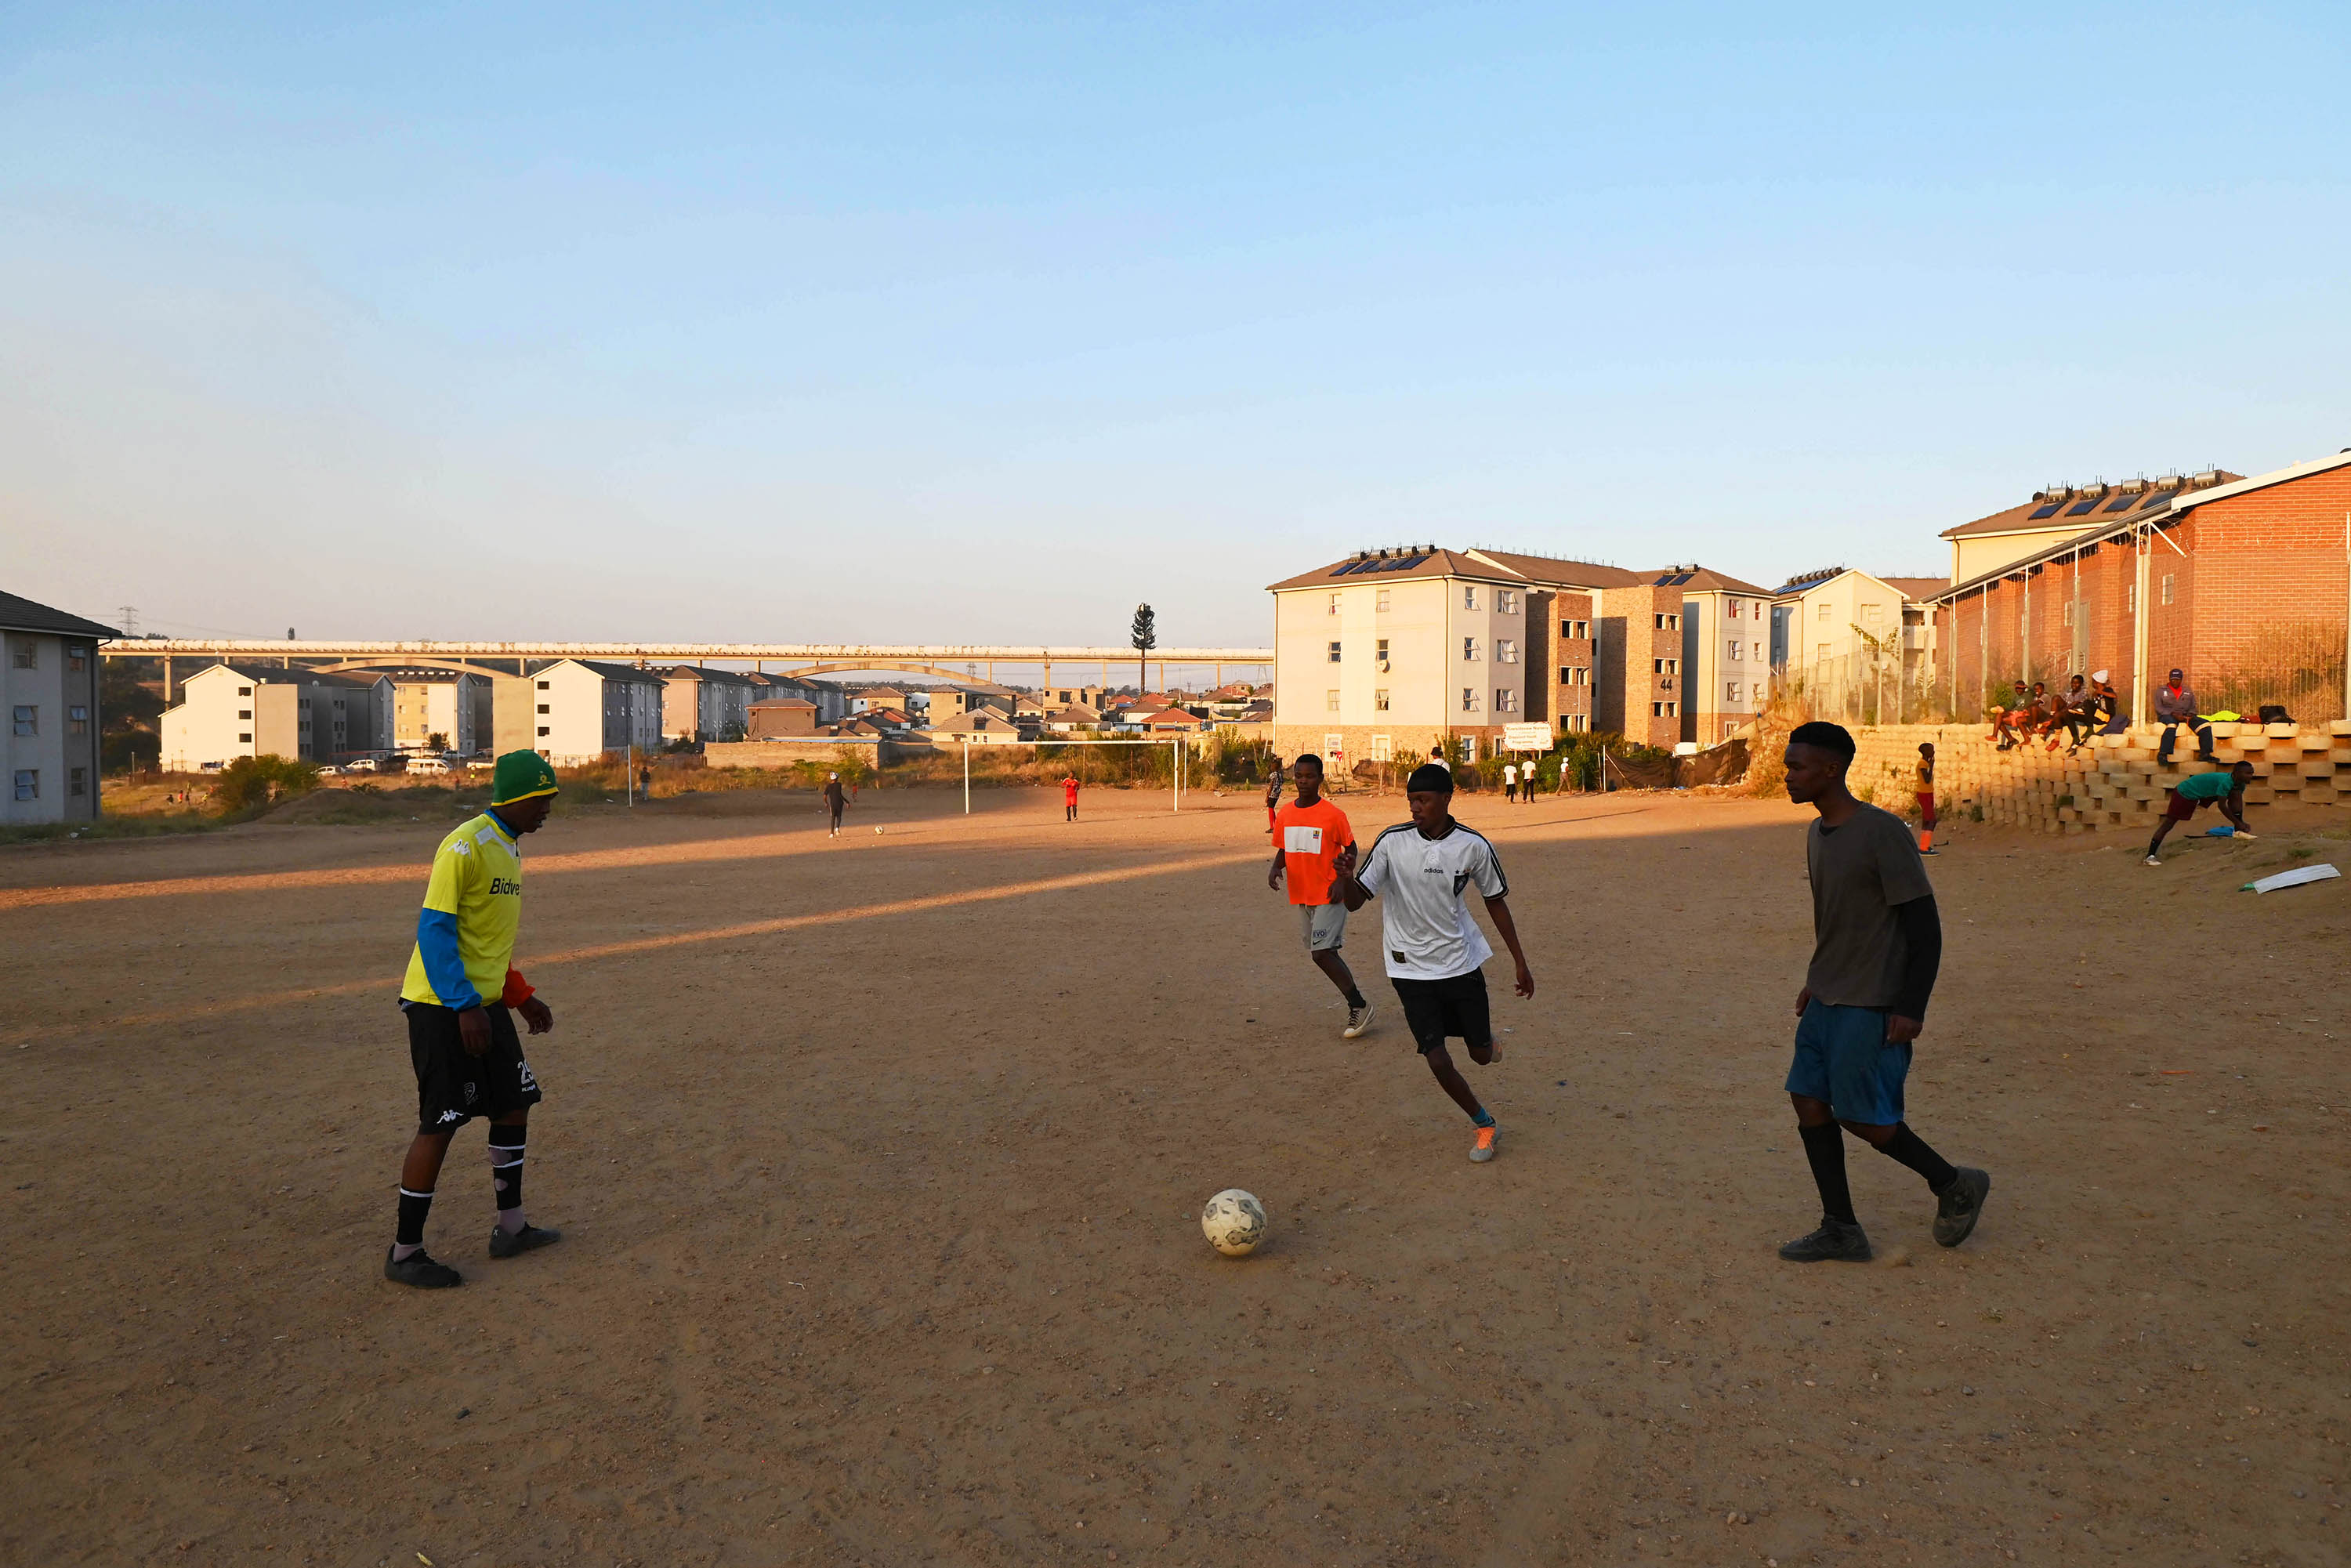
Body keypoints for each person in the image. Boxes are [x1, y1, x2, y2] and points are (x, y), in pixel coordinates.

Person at [1776, 721, 1989, 1263]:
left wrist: (1911, 1006)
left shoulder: (1881, 831)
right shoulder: (1816, 834)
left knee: (1863, 1116)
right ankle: (1841, 1227)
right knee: (1807, 1099)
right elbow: (1843, 920)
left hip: (1871, 1001)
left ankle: (1953, 1183)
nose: (1788, 775)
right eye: (1787, 765)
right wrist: (1815, 977)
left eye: (1797, 766)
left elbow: (1925, 926)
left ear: (1831, 769)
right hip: (1827, 995)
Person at [384, 751, 563, 1289]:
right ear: (515, 797)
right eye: (542, 800)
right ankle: (405, 1250)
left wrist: (521, 996)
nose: (548, 810)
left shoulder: (509, 849)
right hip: (442, 1005)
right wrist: (464, 1005)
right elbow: (435, 931)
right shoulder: (465, 844)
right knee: (441, 1122)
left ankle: (511, 1228)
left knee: (513, 1104)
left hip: (482, 1004)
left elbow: (488, 941)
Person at [1333, 762, 1534, 1164]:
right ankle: (1484, 1122)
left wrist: (1520, 961)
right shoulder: (1391, 842)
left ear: (1446, 798)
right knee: (1436, 1056)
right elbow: (1356, 901)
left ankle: (1487, 1043)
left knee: (1479, 1055)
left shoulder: (1473, 846)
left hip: (1460, 963)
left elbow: (1495, 900)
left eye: (1423, 800)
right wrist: (1345, 878)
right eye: (1411, 801)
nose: (1415, 808)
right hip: (1408, 968)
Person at [1267, 755, 1375, 1038]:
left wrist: (1343, 879)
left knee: (1321, 953)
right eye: (1299, 776)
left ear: (1320, 779)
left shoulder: (1333, 815)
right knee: (1325, 951)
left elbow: (1351, 849)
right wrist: (1276, 867)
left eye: (1310, 776)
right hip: (1302, 893)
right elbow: (1284, 847)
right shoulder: (1287, 813)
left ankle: (1359, 1005)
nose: (1303, 781)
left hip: (1330, 892)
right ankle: (1357, 1001)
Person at [2145, 761, 2257, 865]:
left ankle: (2239, 832)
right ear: (2236, 773)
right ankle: (2150, 856)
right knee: (2169, 823)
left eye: (2252, 773)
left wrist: (2240, 822)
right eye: (2247, 773)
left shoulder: (2240, 783)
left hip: (2205, 793)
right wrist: (2237, 822)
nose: (2251, 776)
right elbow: (2222, 806)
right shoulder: (2226, 782)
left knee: (2235, 794)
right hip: (2186, 792)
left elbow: (2236, 802)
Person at [2155, 669, 2217, 764]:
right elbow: (2158, 707)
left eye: (2177, 680)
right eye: (2173, 679)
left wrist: (2190, 714)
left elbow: (2193, 706)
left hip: (2184, 715)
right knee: (2172, 725)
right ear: (2169, 679)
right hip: (2167, 715)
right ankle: (2163, 754)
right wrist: (2173, 714)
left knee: (2205, 725)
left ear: (2181, 680)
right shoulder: (2161, 690)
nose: (2175, 682)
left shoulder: (2187, 690)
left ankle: (2205, 754)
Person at [1989, 680, 2030, 749]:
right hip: (2015, 714)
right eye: (2016, 688)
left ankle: (1994, 735)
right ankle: (2010, 739)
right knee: (1999, 719)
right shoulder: (2016, 697)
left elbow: (2034, 687)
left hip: (2023, 714)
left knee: (2000, 717)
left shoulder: (2028, 694)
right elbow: (2010, 707)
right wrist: (2002, 708)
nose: (2018, 690)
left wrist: (2024, 686)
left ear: (2024, 688)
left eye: (2020, 688)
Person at [1914, 742, 1937, 855]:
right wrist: (1931, 766)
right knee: (1932, 820)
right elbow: (1927, 779)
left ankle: (1924, 846)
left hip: (1927, 793)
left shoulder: (1925, 763)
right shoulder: (1923, 764)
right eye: (1931, 750)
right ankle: (1924, 847)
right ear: (1926, 752)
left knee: (1927, 820)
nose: (1933, 752)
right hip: (1924, 794)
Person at [1263, 755, 1286, 836]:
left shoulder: (1273, 775)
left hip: (1272, 793)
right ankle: (1275, 826)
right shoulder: (1280, 775)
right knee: (1272, 809)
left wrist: (1267, 795)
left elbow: (1271, 785)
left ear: (1273, 767)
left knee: (1270, 809)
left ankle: (1272, 827)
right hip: (1277, 793)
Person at [823, 771, 848, 837]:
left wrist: (826, 803)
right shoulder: (839, 785)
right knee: (839, 816)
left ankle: (831, 833)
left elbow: (825, 796)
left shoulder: (828, 786)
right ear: (836, 778)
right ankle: (837, 828)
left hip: (833, 804)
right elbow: (840, 795)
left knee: (833, 818)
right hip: (840, 803)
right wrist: (847, 802)